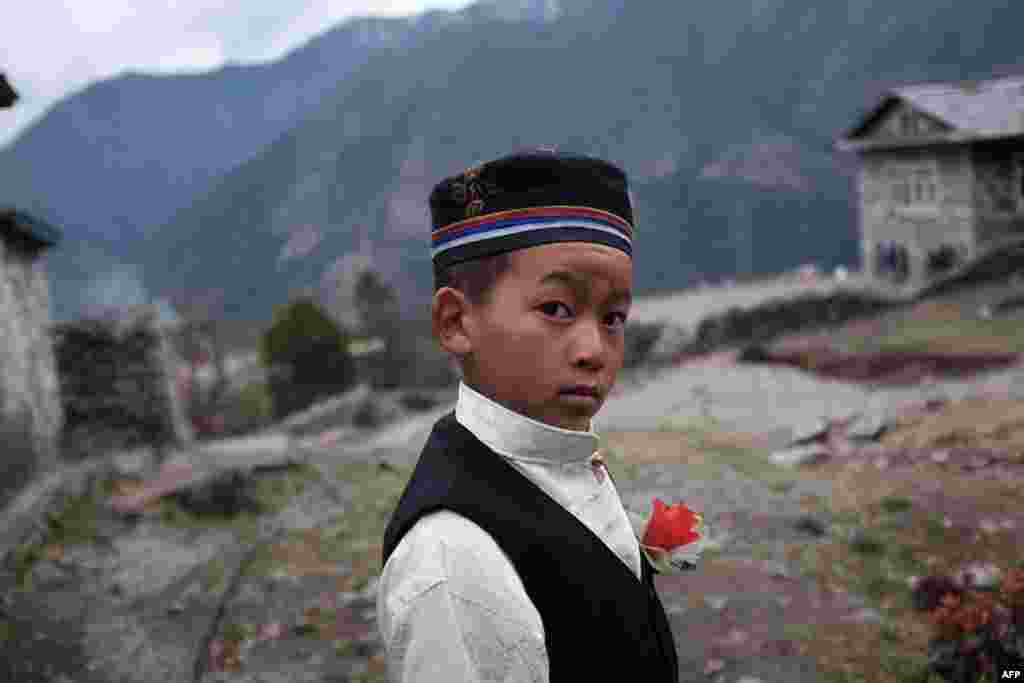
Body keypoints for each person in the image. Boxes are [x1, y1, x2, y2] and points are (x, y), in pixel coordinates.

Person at [377, 149, 679, 682]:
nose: (594, 350)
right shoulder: (453, 563)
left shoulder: (563, 458)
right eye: (556, 309)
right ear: (456, 322)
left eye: (613, 318)